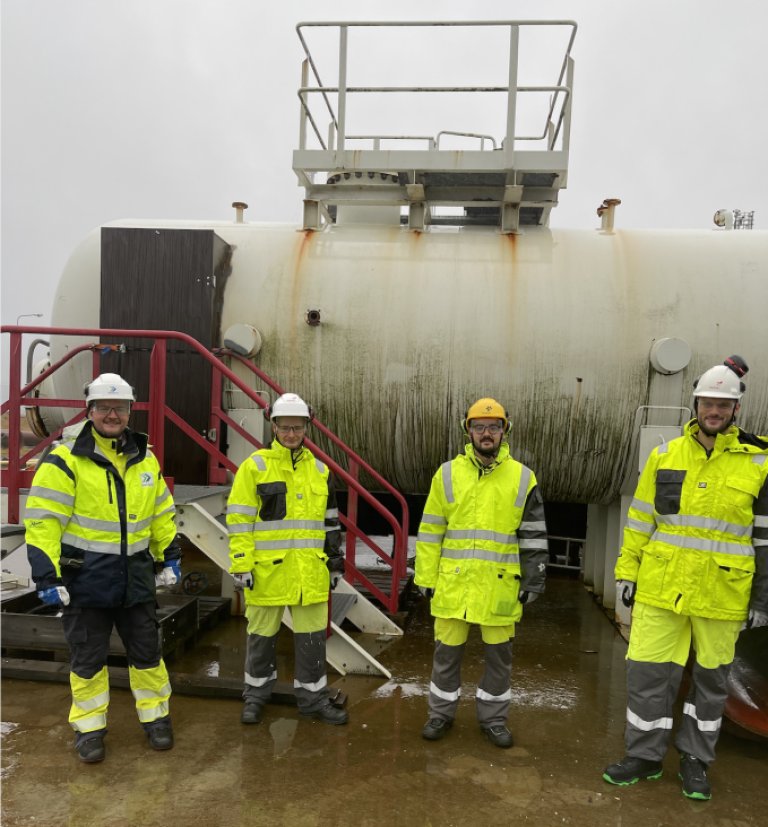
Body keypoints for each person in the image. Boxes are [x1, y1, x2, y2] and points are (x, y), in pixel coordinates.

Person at [603, 355, 768, 800]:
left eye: (723, 405)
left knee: (711, 685)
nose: (714, 411)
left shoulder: (760, 462)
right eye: (707, 403)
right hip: (661, 589)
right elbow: (640, 520)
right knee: (647, 677)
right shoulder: (665, 455)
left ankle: (695, 761)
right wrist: (627, 572)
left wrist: (762, 600)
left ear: (737, 409)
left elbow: (766, 539)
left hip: (722, 594)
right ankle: (645, 756)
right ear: (695, 404)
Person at [24, 373, 182, 763]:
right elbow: (44, 519)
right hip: (86, 582)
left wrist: (171, 555)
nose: (113, 414)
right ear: (90, 410)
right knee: (88, 660)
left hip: (137, 580)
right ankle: (90, 729)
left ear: (130, 411)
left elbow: (161, 512)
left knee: (148, 655)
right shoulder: (64, 459)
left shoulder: (146, 457)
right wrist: (46, 575)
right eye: (105, 407)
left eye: (121, 408)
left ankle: (156, 719)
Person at [414, 397, 548, 748]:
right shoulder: (446, 475)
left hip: (499, 588)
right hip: (453, 585)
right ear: (468, 430)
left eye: (493, 427)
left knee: (499, 661)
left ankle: (494, 720)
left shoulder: (523, 478)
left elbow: (533, 535)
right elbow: (430, 532)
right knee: (445, 657)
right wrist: (425, 577)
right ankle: (440, 714)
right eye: (479, 427)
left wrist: (534, 578)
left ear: (505, 430)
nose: (486, 433)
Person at [226, 392, 347, 726]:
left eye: (297, 427)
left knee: (311, 643)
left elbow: (332, 523)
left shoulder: (321, 471)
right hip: (266, 574)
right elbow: (238, 520)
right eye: (284, 427)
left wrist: (335, 563)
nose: (291, 434)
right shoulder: (255, 468)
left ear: (307, 427)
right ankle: (255, 698)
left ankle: (313, 701)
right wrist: (241, 564)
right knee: (261, 639)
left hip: (310, 573)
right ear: (273, 425)